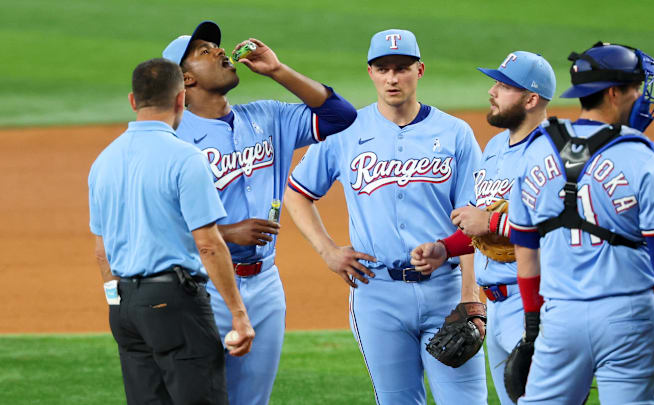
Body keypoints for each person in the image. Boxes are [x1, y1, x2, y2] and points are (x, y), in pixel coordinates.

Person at [283, 29, 487, 404]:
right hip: (377, 295)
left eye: (402, 68)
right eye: (383, 68)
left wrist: (469, 296)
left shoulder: (455, 133)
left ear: (420, 70)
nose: (393, 78)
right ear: (371, 72)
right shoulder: (346, 132)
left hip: (446, 291)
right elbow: (298, 193)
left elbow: (474, 223)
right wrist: (328, 250)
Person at [161, 21, 357, 405]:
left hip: (264, 283)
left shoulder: (268, 116)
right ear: (185, 78)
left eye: (217, 46)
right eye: (205, 51)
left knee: (252, 401)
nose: (220, 51)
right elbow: (153, 225)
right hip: (197, 286)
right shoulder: (171, 138)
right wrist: (227, 232)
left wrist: (277, 70)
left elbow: (340, 116)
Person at [506, 42, 654, 404]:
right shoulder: (641, 155)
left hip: (559, 316)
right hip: (628, 318)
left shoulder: (536, 149)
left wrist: (533, 328)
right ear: (614, 93)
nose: (641, 95)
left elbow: (526, 252)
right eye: (635, 87)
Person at [88, 58, 254, 405]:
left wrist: (116, 305)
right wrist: (239, 316)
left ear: (133, 101)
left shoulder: (103, 161)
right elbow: (208, 245)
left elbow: (101, 252)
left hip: (124, 307)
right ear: (181, 99)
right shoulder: (185, 157)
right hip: (174, 305)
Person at [410, 51, 555, 404]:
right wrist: (446, 248)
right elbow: (481, 233)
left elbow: (556, 231)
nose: (491, 91)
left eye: (504, 86)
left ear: (531, 98)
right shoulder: (493, 147)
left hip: (536, 303)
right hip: (497, 306)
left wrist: (490, 221)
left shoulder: (551, 152)